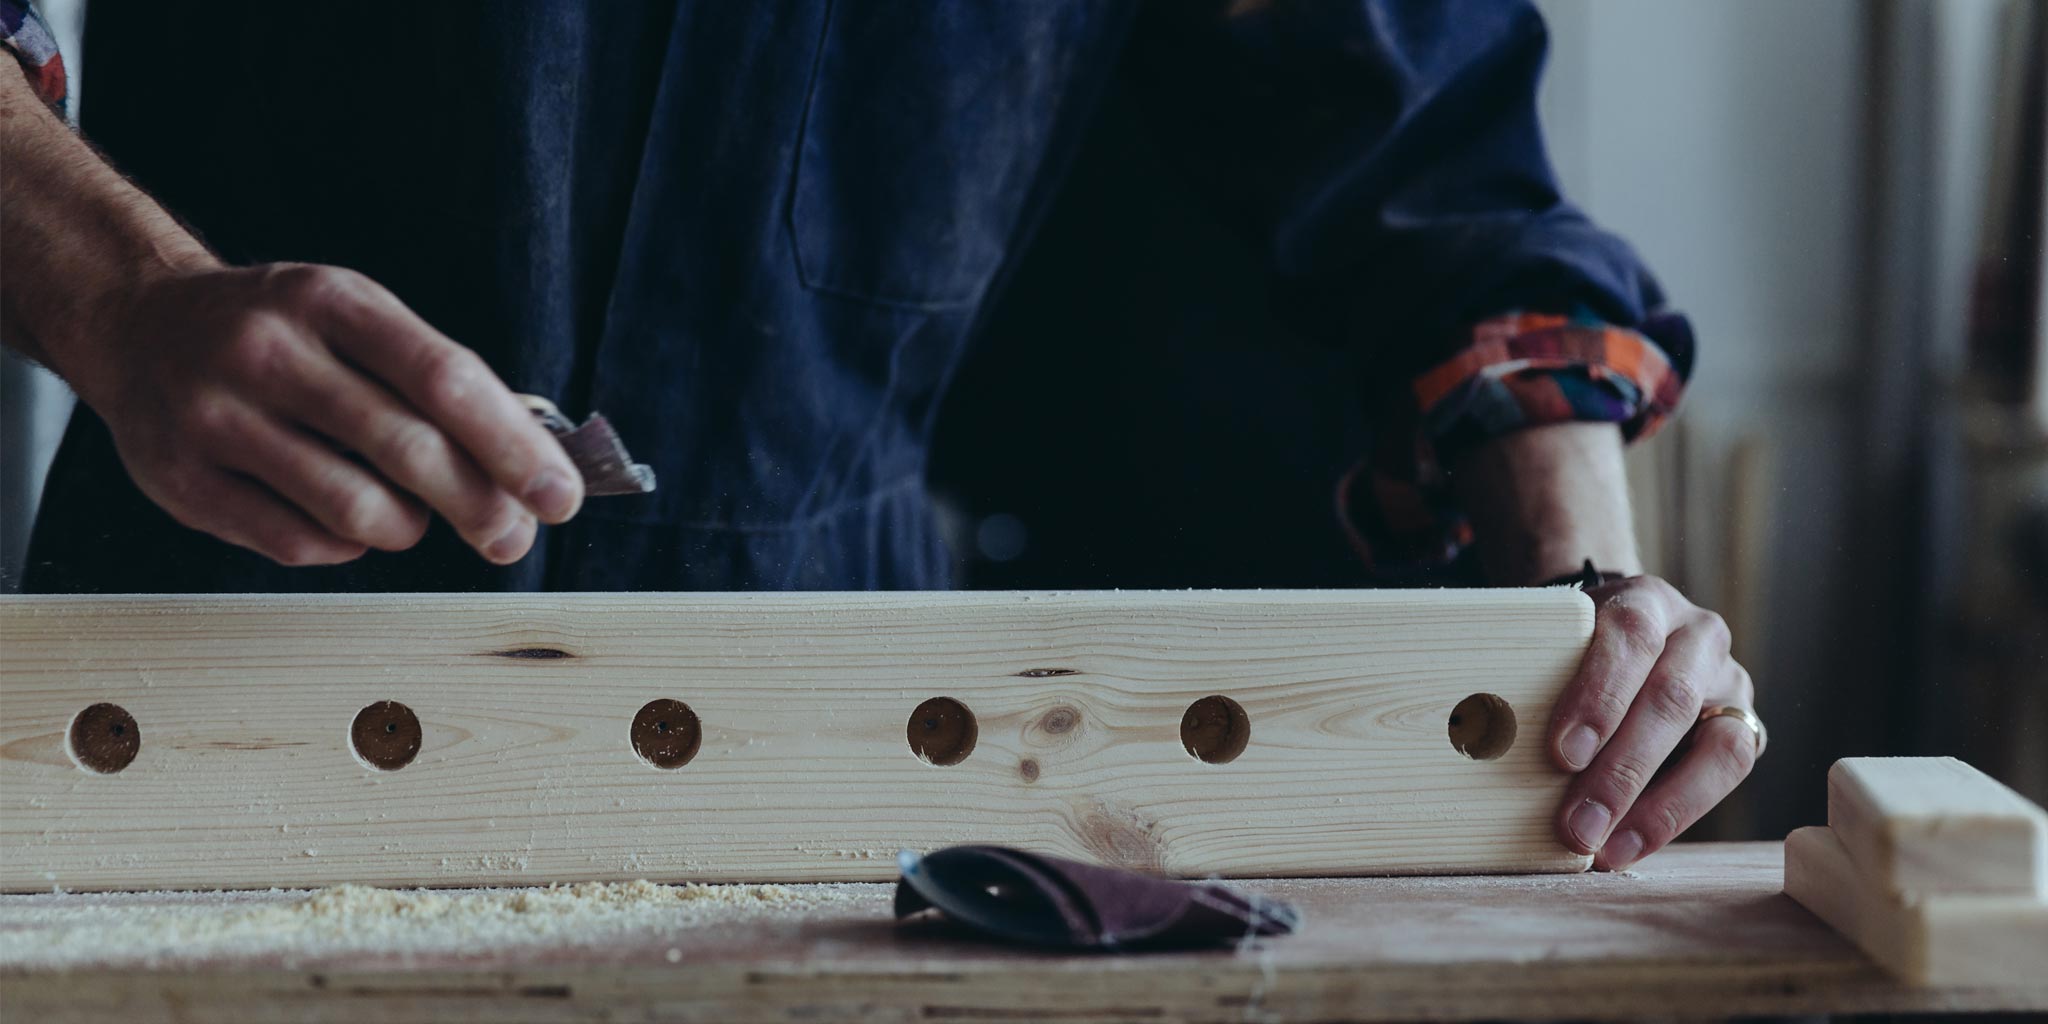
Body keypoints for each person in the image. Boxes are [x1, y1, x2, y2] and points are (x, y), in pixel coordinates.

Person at [0, 1, 1758, 871]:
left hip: (849, 724)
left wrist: (1587, 597)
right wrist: (122, 298)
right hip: (192, 669)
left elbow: (1427, 161)